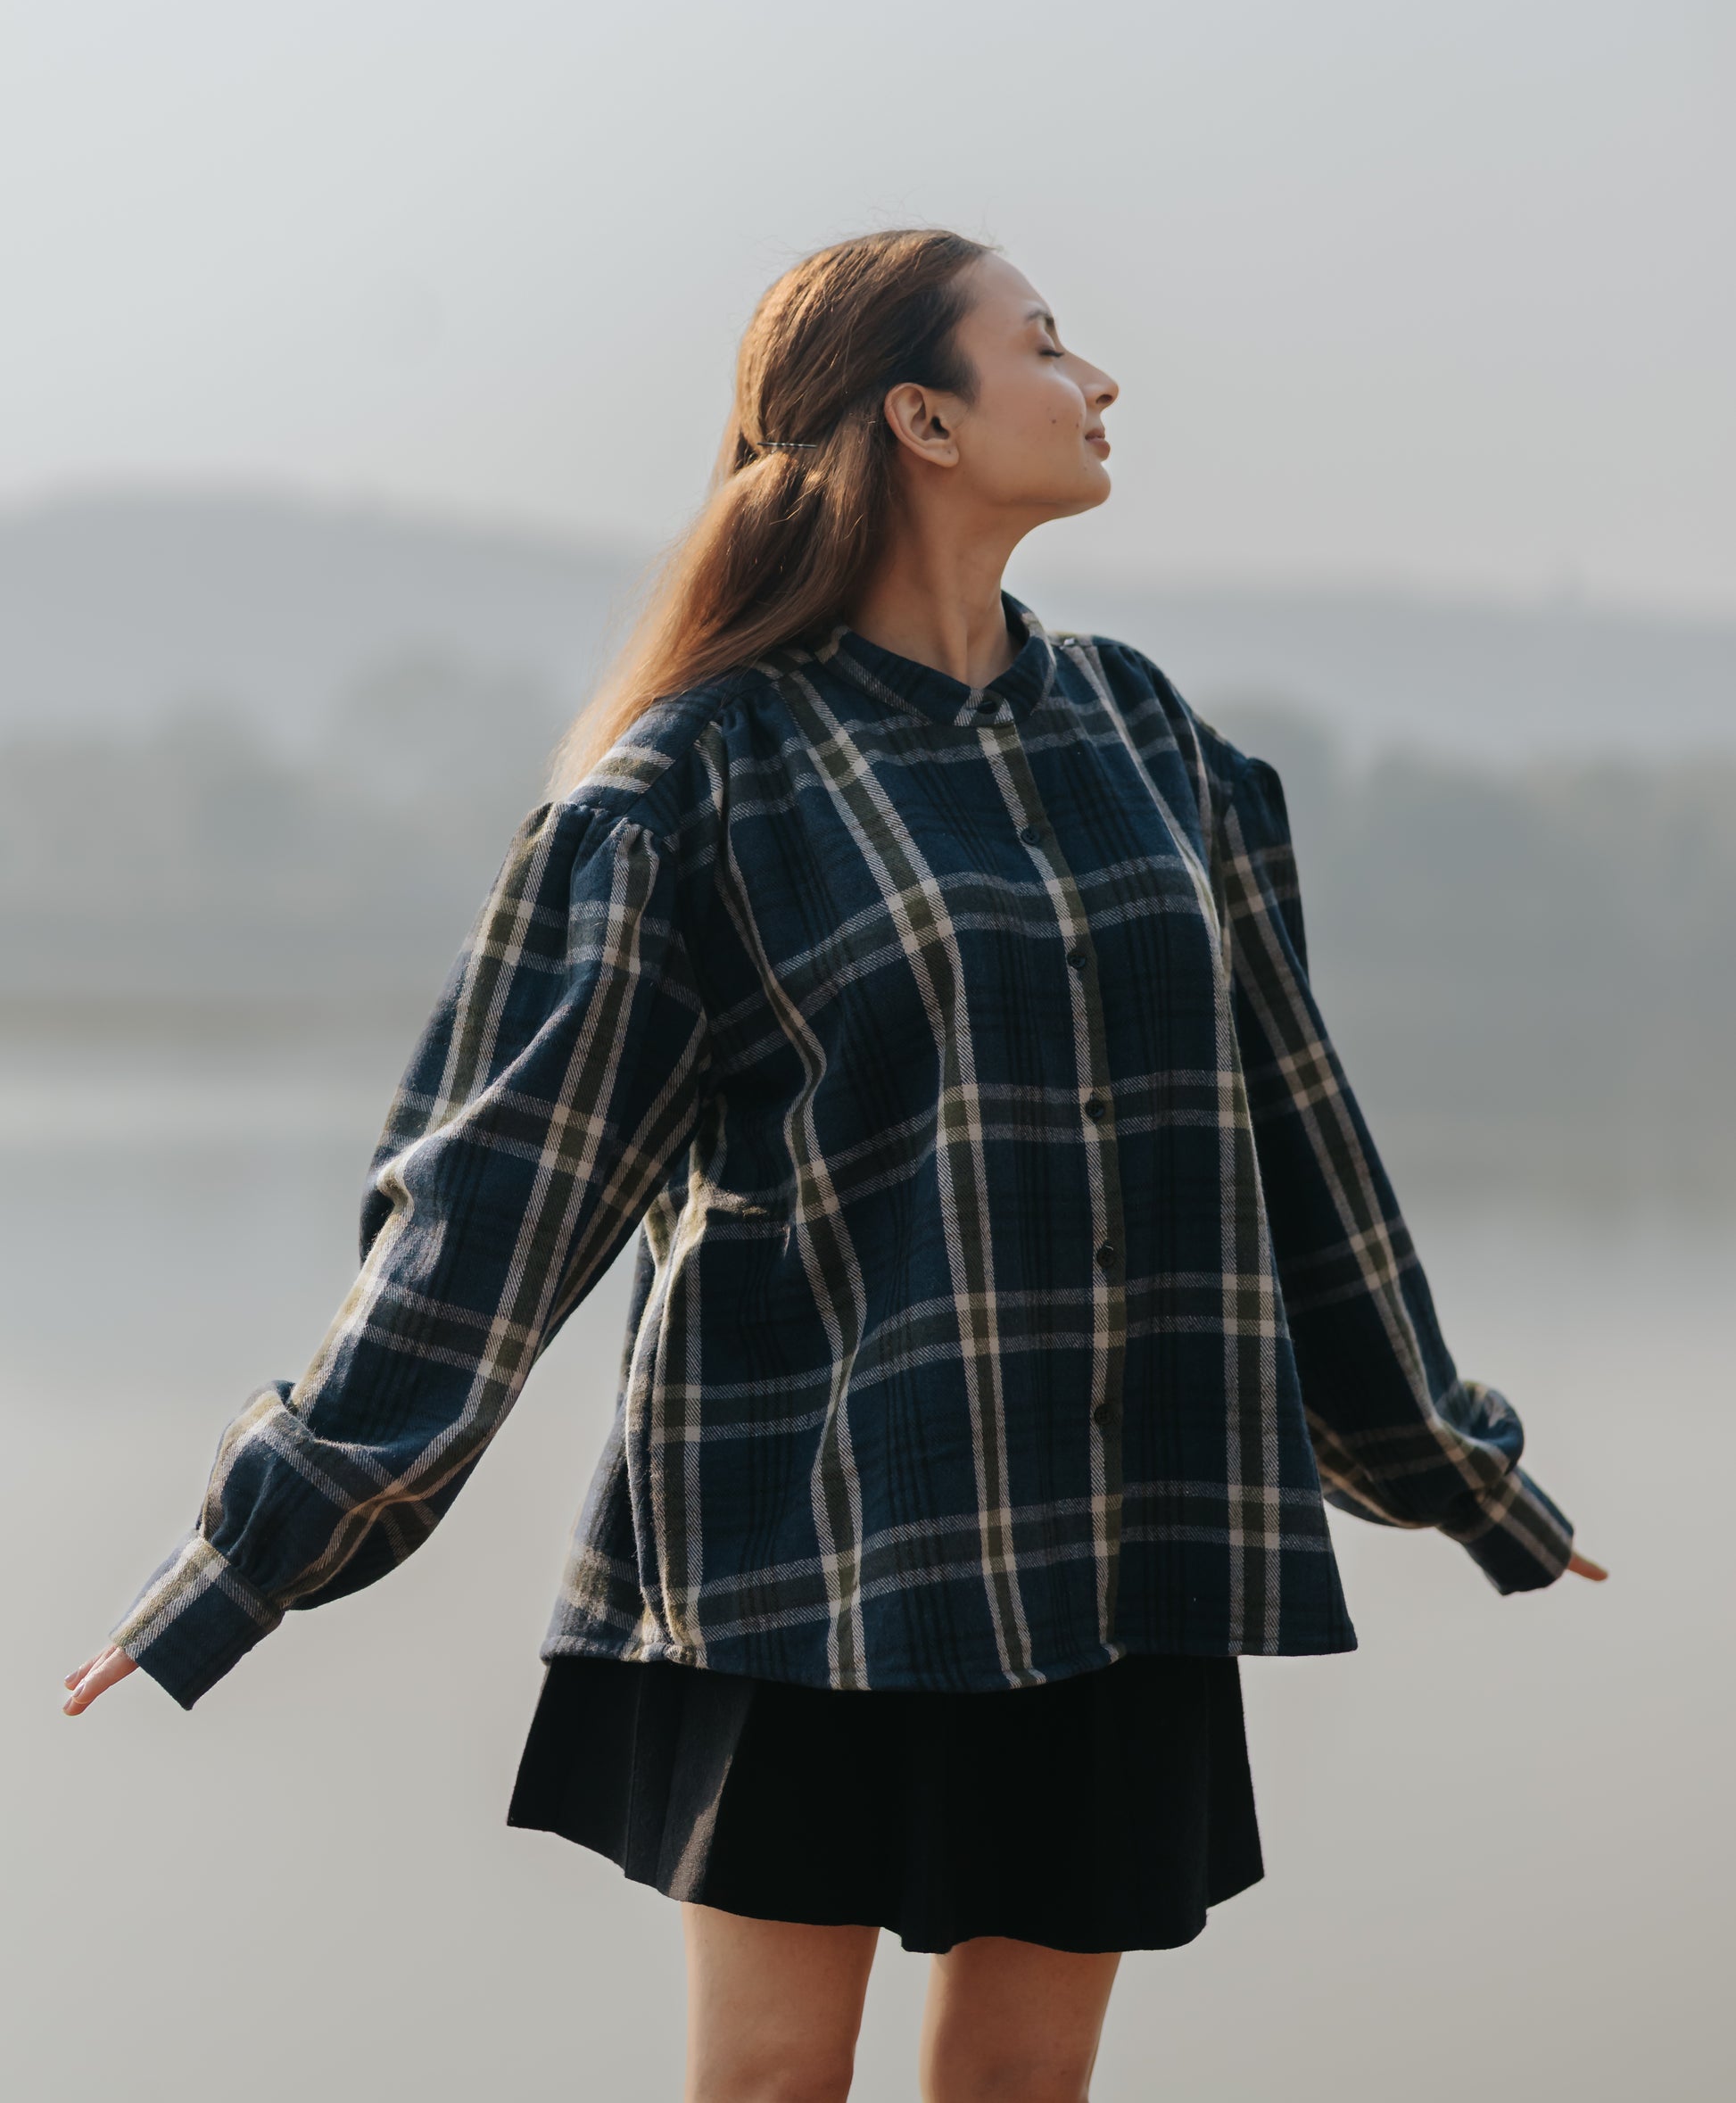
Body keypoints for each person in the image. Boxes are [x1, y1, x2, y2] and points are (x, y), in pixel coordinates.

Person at [65, 228, 1605, 2102]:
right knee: (776, 2088)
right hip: (809, 1546)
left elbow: (1301, 1147)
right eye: (1047, 345)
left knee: (1022, 2090)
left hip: (1117, 1538)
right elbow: (498, 1204)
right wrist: (257, 1536)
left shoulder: (1155, 745)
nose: (1101, 379)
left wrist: (1451, 1463)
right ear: (920, 416)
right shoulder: (691, 784)